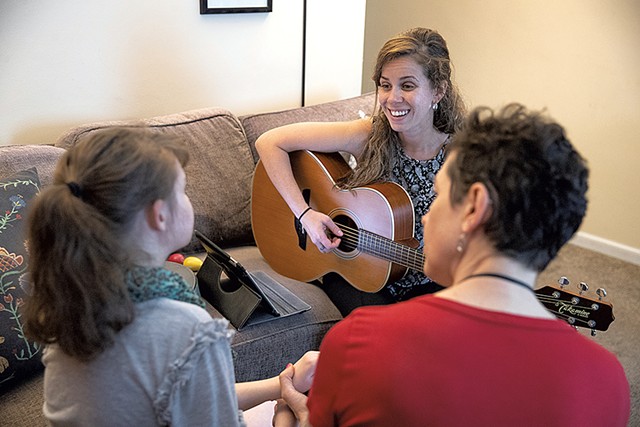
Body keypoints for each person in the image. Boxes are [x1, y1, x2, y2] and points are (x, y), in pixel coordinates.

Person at [274, 104, 631, 426]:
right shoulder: (610, 380)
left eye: (439, 194)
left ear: (474, 207)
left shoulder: (359, 341)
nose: (426, 218)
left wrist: (292, 418)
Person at [22, 127, 318, 426]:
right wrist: (290, 415)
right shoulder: (187, 328)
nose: (188, 199)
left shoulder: (71, 304)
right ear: (159, 214)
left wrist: (281, 385)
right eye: (183, 190)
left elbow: (175, 399)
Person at [255, 27, 466, 315]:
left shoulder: (462, 158)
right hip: (352, 272)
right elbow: (269, 142)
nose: (392, 99)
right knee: (382, 336)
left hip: (426, 282)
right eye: (385, 85)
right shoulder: (367, 135)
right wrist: (305, 215)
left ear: (438, 91)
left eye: (407, 86)